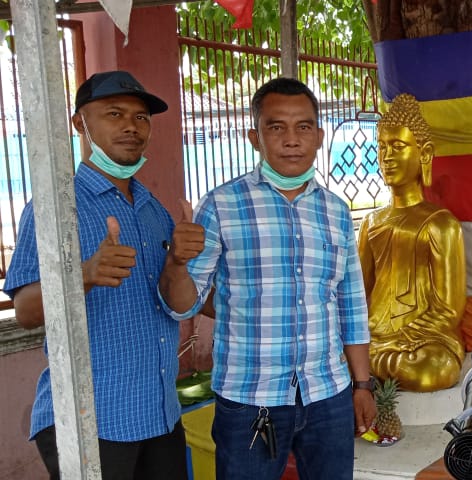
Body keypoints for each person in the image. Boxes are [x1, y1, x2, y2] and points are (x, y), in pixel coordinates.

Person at [158, 77, 376, 479]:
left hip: (327, 394)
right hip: (249, 399)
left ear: (319, 136)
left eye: (303, 127)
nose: (291, 140)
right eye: (276, 127)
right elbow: (184, 305)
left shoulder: (335, 211)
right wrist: (176, 263)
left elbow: (351, 305)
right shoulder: (221, 206)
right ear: (254, 137)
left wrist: (362, 385)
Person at [3, 70, 189, 479]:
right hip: (92, 418)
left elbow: (171, 302)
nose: (131, 126)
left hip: (160, 414)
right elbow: (25, 312)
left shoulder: (153, 208)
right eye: (114, 113)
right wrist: (82, 274)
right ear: (79, 123)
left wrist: (178, 263)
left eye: (141, 118)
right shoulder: (56, 206)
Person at [358, 93, 466, 392]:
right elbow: (357, 292)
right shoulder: (371, 223)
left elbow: (449, 309)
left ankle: (371, 365)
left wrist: (403, 337)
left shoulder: (441, 224)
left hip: (424, 341)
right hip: (377, 337)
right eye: (382, 147)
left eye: (398, 146)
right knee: (342, 355)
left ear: (425, 153)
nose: (387, 156)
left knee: (430, 371)